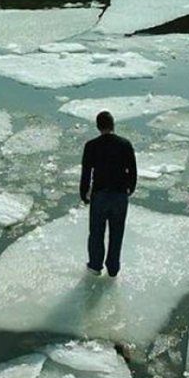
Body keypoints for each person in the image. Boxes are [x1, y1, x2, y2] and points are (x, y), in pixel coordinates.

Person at [80, 111, 137, 277]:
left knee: (96, 232)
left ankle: (95, 266)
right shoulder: (125, 144)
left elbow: (86, 173)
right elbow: (132, 170)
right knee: (117, 232)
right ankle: (113, 268)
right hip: (119, 195)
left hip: (100, 195)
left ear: (98, 127)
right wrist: (129, 189)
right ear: (113, 125)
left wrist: (84, 194)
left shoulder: (91, 146)